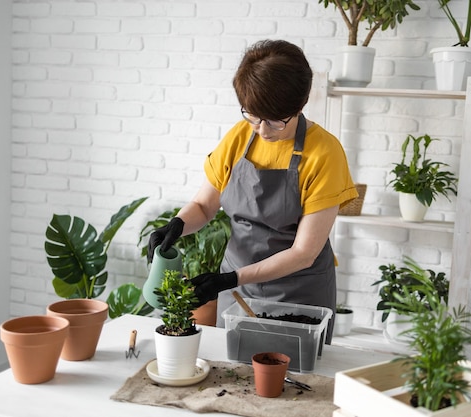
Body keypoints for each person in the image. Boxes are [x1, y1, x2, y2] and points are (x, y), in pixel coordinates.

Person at [147, 39, 358, 342]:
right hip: (236, 289)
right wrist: (177, 225)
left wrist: (230, 278)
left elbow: (303, 253)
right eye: (252, 115)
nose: (261, 130)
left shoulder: (325, 153)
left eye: (274, 121)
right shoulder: (239, 136)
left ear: (300, 104)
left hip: (297, 294)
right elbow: (205, 206)